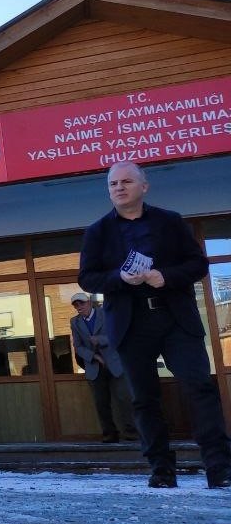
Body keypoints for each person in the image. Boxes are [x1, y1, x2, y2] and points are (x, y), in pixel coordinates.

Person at [79, 161, 230, 489]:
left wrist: (167, 276)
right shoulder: (98, 231)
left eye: (126, 182)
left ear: (143, 187)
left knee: (200, 387)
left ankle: (219, 466)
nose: (119, 187)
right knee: (144, 398)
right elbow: (87, 276)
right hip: (132, 324)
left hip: (175, 318)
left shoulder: (170, 221)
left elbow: (198, 264)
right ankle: (161, 469)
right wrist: (118, 277)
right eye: (113, 184)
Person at [69, 292, 137, 443]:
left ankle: (132, 432)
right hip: (95, 367)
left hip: (115, 363)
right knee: (101, 402)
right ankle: (110, 434)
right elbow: (78, 347)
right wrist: (94, 357)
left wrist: (99, 340)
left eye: (81, 303)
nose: (79, 307)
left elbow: (118, 335)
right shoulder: (75, 322)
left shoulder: (106, 314)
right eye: (76, 305)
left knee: (124, 398)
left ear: (89, 303)